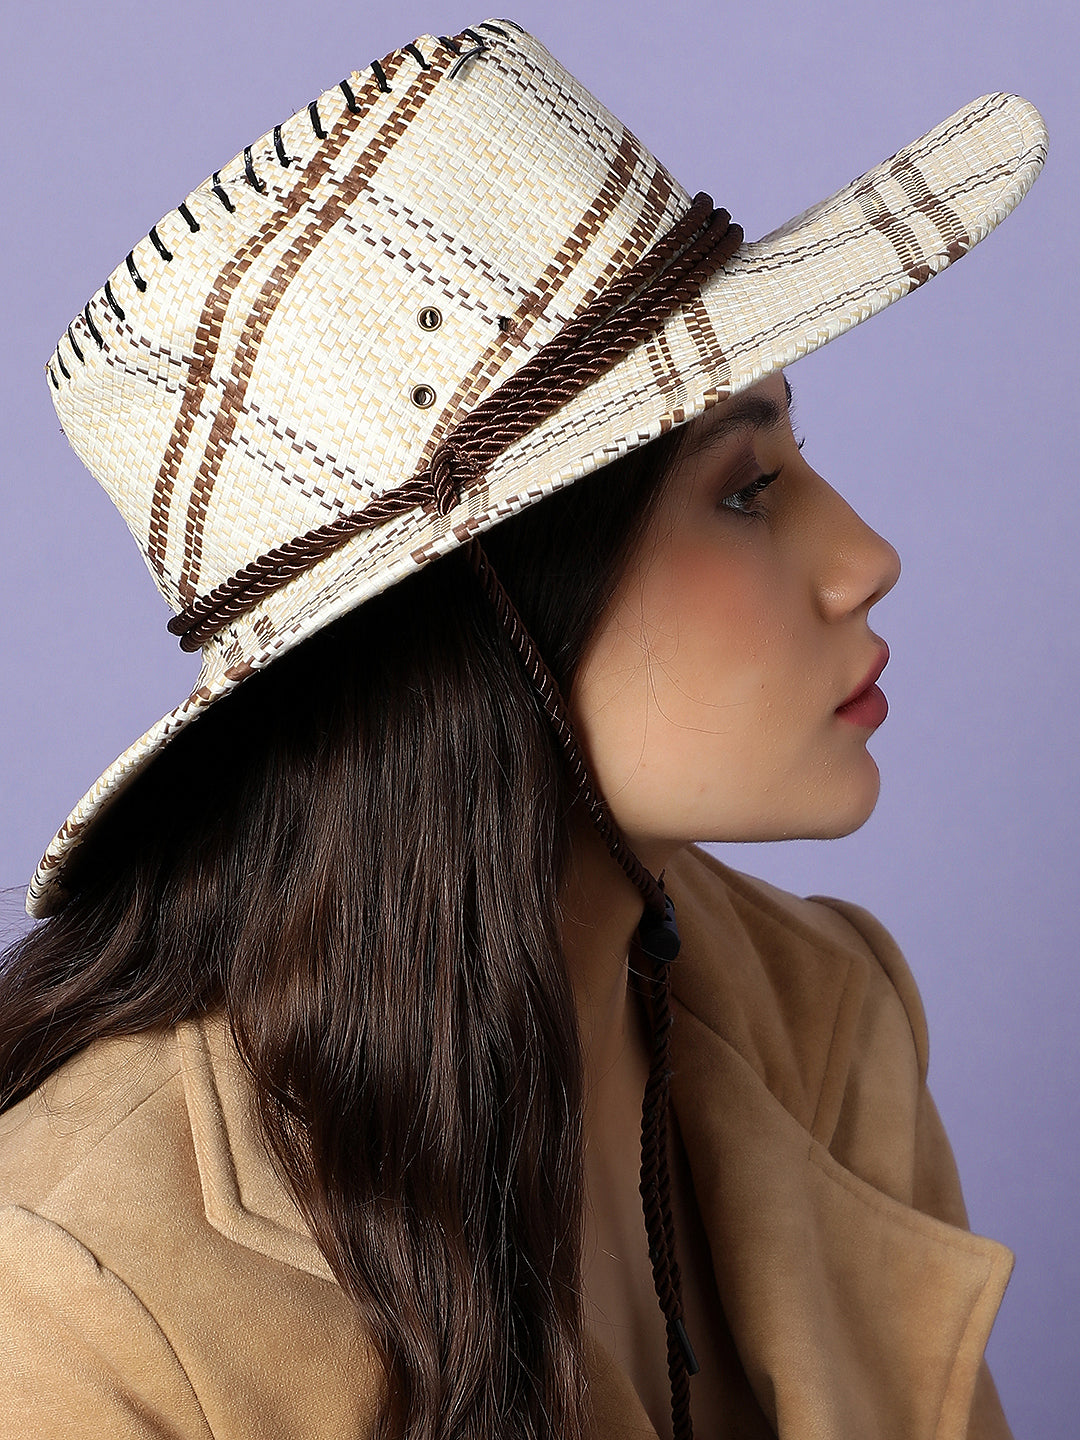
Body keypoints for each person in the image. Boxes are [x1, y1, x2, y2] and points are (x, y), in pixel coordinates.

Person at [0, 18, 1047, 1440]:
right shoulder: (74, 1284)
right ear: (487, 625)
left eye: (800, 454)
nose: (864, 554)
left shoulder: (825, 1012)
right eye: (744, 488)